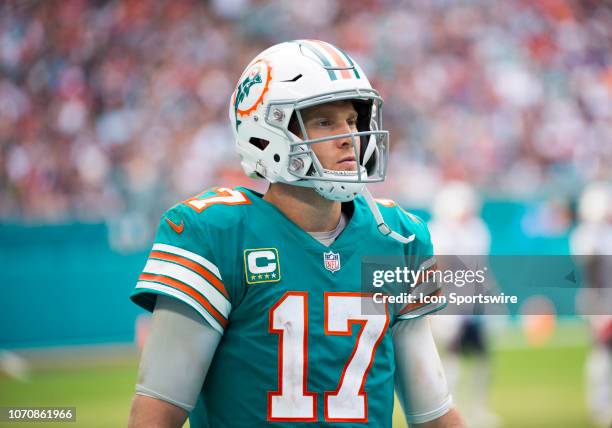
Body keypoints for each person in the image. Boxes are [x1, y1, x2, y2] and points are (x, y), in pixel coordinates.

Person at [128, 40, 464, 428]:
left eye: (353, 121)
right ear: (266, 133)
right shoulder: (214, 234)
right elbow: (157, 412)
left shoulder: (398, 239)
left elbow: (433, 411)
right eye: (324, 122)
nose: (348, 137)